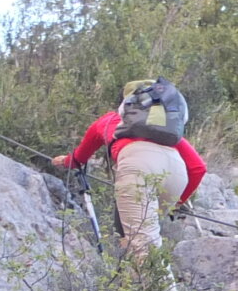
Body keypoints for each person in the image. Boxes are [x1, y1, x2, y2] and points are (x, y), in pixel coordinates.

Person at [51, 80, 206, 259]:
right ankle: (134, 282)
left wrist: (65, 161)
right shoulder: (165, 131)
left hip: (138, 167)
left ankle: (156, 286)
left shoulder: (109, 120)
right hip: (176, 173)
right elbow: (198, 168)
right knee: (138, 241)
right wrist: (177, 204)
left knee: (142, 248)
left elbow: (78, 160)